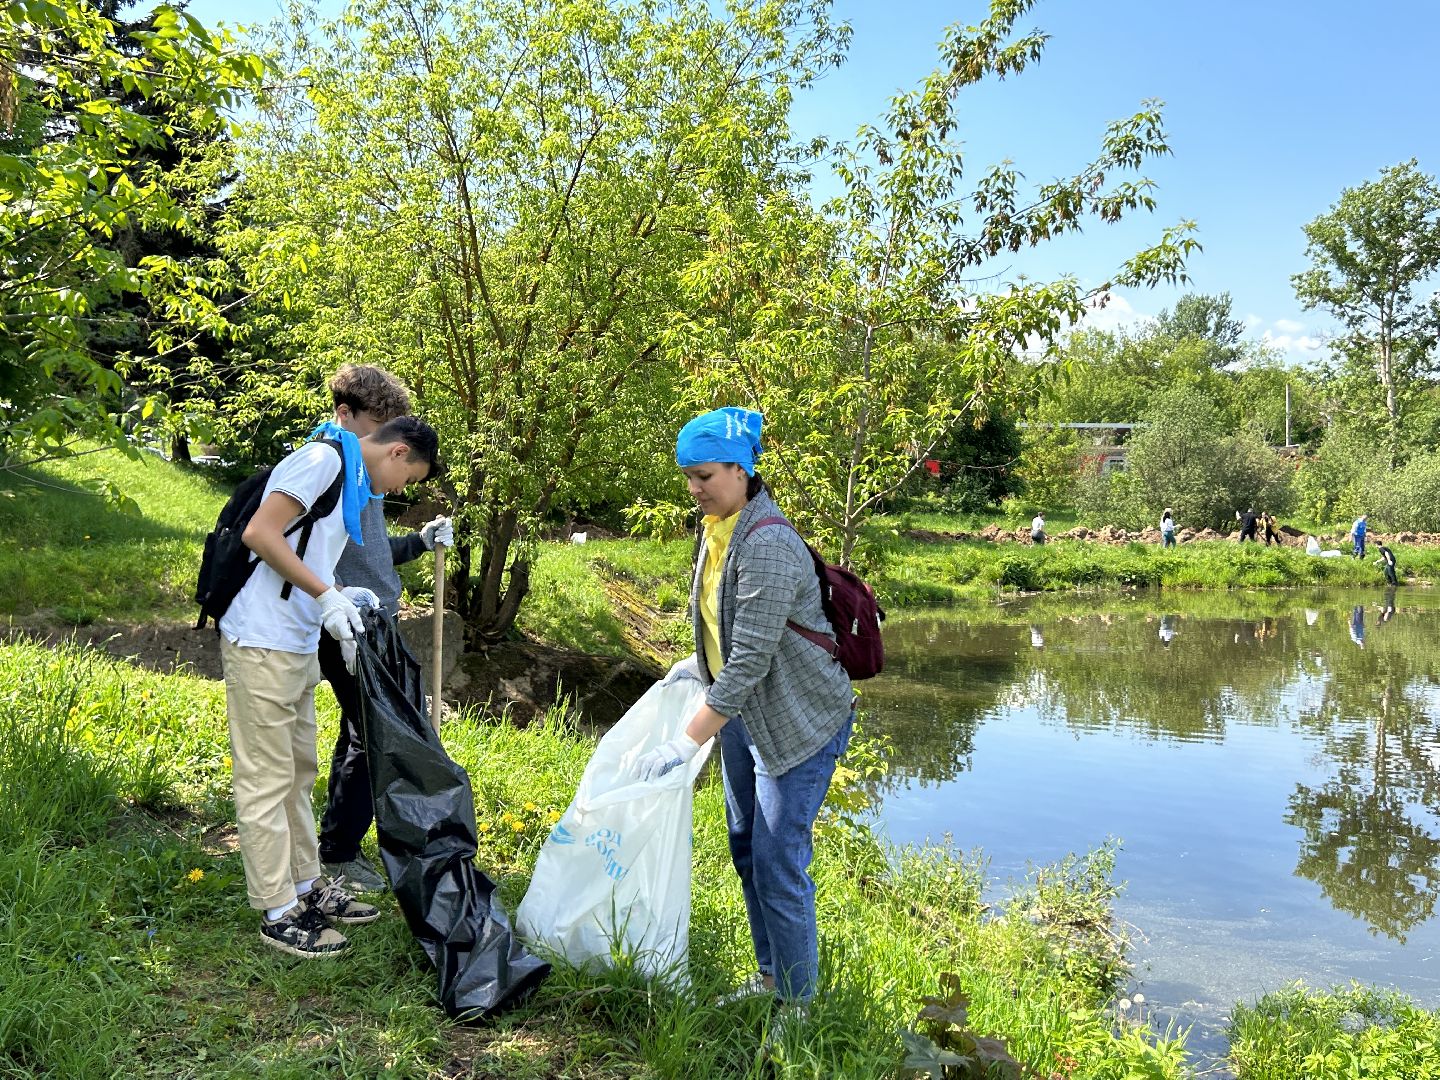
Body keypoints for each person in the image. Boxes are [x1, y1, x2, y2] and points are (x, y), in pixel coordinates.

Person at [634, 407, 853, 1035]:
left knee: (779, 859)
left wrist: (684, 744)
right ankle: (769, 975)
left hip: (797, 723)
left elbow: (754, 657)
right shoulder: (715, 529)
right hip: (740, 715)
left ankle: (798, 1003)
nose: (695, 488)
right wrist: (695, 664)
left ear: (741, 469)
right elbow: (723, 625)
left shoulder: (771, 542)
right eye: (688, 477)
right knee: (745, 847)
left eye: (704, 475)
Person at [219, 415, 443, 959]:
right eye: (409, 479)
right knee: (265, 780)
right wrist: (326, 596)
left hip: (295, 645)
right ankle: (277, 911)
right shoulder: (323, 461)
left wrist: (344, 594)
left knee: (298, 773)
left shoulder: (349, 480)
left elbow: (307, 556)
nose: (401, 491)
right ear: (397, 452)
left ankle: (305, 886)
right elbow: (260, 534)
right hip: (261, 641)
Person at [316, 365, 454, 892]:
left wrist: (419, 542)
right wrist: (331, 598)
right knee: (376, 734)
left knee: (366, 733)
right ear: (346, 416)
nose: (383, 444)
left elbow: (373, 556)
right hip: (347, 624)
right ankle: (340, 851)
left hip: (378, 622)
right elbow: (302, 549)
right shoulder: (327, 470)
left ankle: (341, 843)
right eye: (376, 428)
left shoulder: (361, 477)